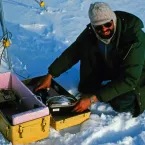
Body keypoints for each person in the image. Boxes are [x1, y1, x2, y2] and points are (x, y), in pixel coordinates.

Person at [36, 2, 145, 117]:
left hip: (138, 73)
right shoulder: (92, 32)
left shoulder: (134, 37)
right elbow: (73, 52)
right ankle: (106, 90)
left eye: (107, 24)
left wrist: (93, 98)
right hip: (114, 66)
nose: (104, 29)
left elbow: (130, 79)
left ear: (113, 20)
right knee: (86, 87)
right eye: (98, 27)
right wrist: (50, 74)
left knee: (120, 102)